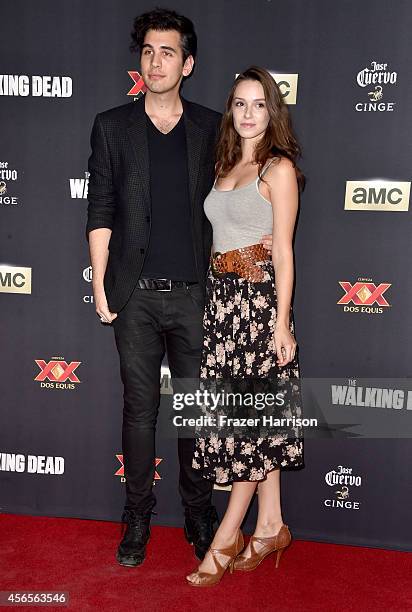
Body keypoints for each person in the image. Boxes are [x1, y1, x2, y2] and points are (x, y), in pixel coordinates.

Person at [86, 9, 272, 568]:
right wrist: (100, 283)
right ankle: (137, 515)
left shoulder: (212, 126)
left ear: (187, 64)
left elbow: (249, 190)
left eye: (168, 52)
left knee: (196, 415)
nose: (156, 60)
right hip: (135, 296)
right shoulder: (112, 126)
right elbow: (101, 210)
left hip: (198, 296)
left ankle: (198, 514)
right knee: (138, 413)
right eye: (148, 51)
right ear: (139, 60)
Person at [186, 66, 305, 586]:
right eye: (240, 104)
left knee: (248, 427)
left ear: (271, 111)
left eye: (259, 104)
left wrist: (281, 323)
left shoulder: (277, 169)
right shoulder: (225, 163)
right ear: (231, 110)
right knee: (257, 422)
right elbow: (218, 239)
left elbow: (282, 249)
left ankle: (226, 537)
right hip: (221, 308)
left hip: (258, 311)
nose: (249, 113)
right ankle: (272, 524)